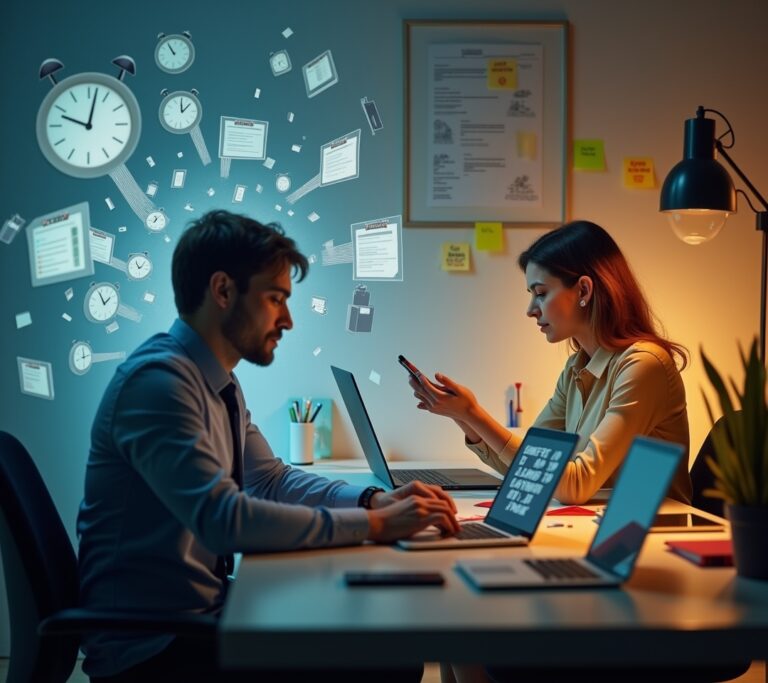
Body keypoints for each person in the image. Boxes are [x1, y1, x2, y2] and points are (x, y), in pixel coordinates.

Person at [77, 210, 459, 683]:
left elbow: (270, 479)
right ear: (222, 291)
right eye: (275, 298)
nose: (289, 319)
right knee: (387, 661)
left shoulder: (216, 381)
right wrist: (375, 524)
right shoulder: (159, 385)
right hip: (155, 648)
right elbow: (225, 522)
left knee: (371, 624)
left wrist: (370, 500)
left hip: (200, 618)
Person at [409, 220, 692, 507]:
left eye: (541, 293)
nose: (531, 310)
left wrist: (475, 413)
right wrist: (463, 415)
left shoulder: (644, 365)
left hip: (651, 534)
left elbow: (576, 485)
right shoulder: (576, 369)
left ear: (583, 291)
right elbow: (528, 469)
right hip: (601, 524)